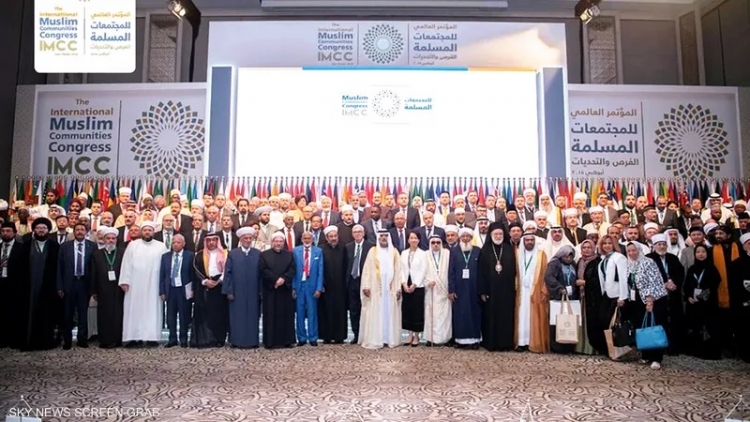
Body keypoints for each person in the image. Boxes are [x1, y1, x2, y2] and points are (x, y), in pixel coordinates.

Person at [14, 217, 61, 351]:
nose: (41, 230)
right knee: (27, 314)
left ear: (48, 230)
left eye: (44, 228)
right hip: (29, 288)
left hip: (48, 287)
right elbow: (19, 269)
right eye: (38, 228)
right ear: (34, 229)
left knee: (46, 314)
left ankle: (45, 342)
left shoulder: (55, 247)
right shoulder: (26, 246)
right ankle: (27, 342)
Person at [120, 221, 167, 348]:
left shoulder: (161, 246)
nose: (147, 232)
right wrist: (124, 281)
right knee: (134, 310)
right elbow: (126, 264)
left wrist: (164, 286)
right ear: (141, 232)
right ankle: (133, 338)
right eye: (145, 230)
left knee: (153, 310)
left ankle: (152, 338)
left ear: (153, 232)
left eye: (149, 230)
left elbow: (165, 267)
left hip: (154, 284)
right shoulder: (133, 245)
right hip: (135, 285)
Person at [627, 241, 670, 369]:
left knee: (654, 327)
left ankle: (657, 358)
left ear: (639, 250)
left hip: (652, 300)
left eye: (634, 250)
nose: (632, 253)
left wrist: (650, 300)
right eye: (629, 251)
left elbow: (654, 281)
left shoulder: (648, 262)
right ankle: (646, 354)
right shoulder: (630, 264)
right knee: (642, 327)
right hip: (637, 300)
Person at [359, 229, 403, 349]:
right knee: (376, 312)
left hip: (390, 287)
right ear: (378, 238)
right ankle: (377, 338)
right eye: (381, 236)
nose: (383, 238)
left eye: (385, 236)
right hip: (375, 286)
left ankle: (389, 339)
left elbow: (399, 271)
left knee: (389, 312)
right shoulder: (372, 251)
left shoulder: (394, 252)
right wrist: (366, 285)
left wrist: (398, 287)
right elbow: (366, 270)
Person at [479, 222, 518, 351]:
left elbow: (514, 270)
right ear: (491, 235)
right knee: (490, 317)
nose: (498, 236)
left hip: (507, 291)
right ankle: (490, 343)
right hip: (490, 291)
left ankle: (505, 343)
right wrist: (482, 291)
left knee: (506, 317)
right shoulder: (485, 250)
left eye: (500, 234)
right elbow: (481, 272)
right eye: (495, 234)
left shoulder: (508, 248)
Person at [56, 223, 96, 349]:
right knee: (67, 313)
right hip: (69, 283)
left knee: (83, 313)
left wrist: (93, 287)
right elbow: (59, 267)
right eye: (77, 229)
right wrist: (59, 286)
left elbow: (94, 268)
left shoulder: (92, 246)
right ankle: (67, 340)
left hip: (84, 283)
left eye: (82, 230)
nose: (79, 232)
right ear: (73, 232)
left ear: (86, 232)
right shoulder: (65, 246)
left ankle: (82, 339)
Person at [223, 227, 262, 349]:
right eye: (245, 238)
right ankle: (236, 341)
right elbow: (227, 273)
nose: (248, 240)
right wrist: (229, 290)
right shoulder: (233, 254)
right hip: (237, 291)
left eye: (250, 238)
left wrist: (260, 291)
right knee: (237, 316)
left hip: (253, 291)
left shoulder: (257, 253)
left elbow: (261, 273)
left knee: (252, 316)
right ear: (240, 239)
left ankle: (252, 341)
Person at [647, 233, 685, 355]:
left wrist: (674, 283)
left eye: (664, 244)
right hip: (657, 296)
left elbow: (680, 273)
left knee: (674, 321)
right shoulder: (649, 258)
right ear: (654, 246)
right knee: (659, 320)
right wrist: (663, 284)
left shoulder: (672, 258)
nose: (662, 247)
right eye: (659, 244)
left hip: (673, 294)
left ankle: (673, 347)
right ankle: (659, 348)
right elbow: (648, 276)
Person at [683, 244, 721, 359]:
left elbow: (715, 283)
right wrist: (688, 296)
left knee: (709, 326)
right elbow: (687, 285)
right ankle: (696, 350)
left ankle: (710, 352)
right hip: (694, 303)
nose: (701, 254)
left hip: (708, 303)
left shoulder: (711, 268)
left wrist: (701, 297)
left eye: (703, 252)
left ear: (707, 254)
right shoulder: (692, 268)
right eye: (698, 252)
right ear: (695, 254)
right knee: (695, 326)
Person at [259, 231, 297, 349]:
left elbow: (292, 269)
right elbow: (263, 270)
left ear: (284, 243)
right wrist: (275, 280)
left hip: (285, 290)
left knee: (286, 315)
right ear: (272, 242)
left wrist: (283, 279)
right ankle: (270, 341)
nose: (278, 244)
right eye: (276, 241)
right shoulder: (264, 255)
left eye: (281, 241)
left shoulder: (289, 255)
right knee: (270, 315)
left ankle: (287, 341)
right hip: (270, 289)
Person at [192, 232, 229, 348]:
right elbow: (195, 270)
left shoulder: (225, 254)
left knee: (219, 314)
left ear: (217, 241)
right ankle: (205, 339)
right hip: (205, 287)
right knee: (205, 314)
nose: (211, 242)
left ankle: (219, 339)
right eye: (209, 240)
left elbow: (228, 270)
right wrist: (205, 281)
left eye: (214, 240)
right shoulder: (199, 255)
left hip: (220, 288)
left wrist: (219, 281)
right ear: (205, 242)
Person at [90, 227, 125, 349]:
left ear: (116, 240)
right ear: (104, 240)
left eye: (113, 238)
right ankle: (105, 340)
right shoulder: (97, 254)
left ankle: (118, 339)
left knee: (118, 314)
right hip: (103, 289)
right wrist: (94, 290)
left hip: (119, 288)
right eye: (108, 238)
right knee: (104, 314)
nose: (111, 240)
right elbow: (93, 273)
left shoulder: (122, 252)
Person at [515, 231, 549, 353]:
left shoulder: (541, 255)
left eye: (531, 240)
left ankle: (534, 343)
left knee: (534, 316)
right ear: (523, 241)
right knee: (522, 316)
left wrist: (544, 291)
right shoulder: (518, 254)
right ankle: (521, 342)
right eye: (527, 240)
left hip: (535, 290)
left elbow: (545, 273)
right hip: (521, 291)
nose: (529, 242)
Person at [449, 227, 482, 349]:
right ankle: (460, 340)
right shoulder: (454, 251)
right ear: (460, 238)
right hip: (459, 289)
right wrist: (451, 290)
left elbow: (482, 271)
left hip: (474, 288)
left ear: (471, 238)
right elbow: (451, 271)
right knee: (460, 313)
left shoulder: (478, 251)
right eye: (463, 236)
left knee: (474, 313)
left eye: (468, 236)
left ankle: (475, 340)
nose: (465, 238)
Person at [159, 234, 194, 348]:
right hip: (171, 289)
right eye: (173, 242)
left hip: (184, 289)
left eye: (178, 242)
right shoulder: (165, 257)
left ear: (183, 244)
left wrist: (193, 289)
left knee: (184, 315)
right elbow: (162, 275)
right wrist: (162, 291)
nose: (175, 244)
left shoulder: (190, 256)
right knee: (171, 316)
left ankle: (183, 339)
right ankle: (172, 339)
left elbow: (193, 274)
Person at [545, 245, 579, 354]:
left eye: (570, 257)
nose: (568, 259)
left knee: (570, 321)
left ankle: (569, 345)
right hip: (558, 296)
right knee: (557, 321)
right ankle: (557, 347)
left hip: (571, 297)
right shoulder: (554, 263)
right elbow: (549, 277)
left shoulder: (573, 264)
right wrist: (559, 288)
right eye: (566, 257)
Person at [293, 231, 324, 346]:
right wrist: (293, 287)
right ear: (301, 239)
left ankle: (313, 337)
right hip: (299, 285)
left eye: (309, 238)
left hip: (312, 286)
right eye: (305, 238)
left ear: (312, 239)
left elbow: (321, 271)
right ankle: (301, 337)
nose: (307, 240)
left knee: (312, 312)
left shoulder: (318, 251)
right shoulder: (295, 251)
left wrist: (319, 288)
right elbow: (293, 270)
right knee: (300, 312)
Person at [596, 235, 629, 346]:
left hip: (617, 294)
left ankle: (618, 347)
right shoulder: (603, 259)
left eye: (609, 243)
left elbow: (623, 277)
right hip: (606, 293)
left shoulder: (619, 257)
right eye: (604, 243)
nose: (607, 246)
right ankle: (609, 347)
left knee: (615, 322)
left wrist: (623, 296)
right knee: (603, 320)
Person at [319, 226, 348, 344]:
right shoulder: (321, 249)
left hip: (340, 286)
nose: (333, 238)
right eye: (331, 236)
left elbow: (346, 266)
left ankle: (339, 336)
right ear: (326, 238)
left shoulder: (344, 248)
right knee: (326, 311)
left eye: (335, 236)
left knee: (340, 311)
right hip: (326, 286)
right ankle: (327, 336)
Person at [346, 224, 373, 344]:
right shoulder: (348, 247)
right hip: (352, 282)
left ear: (364, 233)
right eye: (355, 232)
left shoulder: (371, 247)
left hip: (365, 282)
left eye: (360, 231)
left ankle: (366, 334)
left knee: (366, 309)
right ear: (352, 234)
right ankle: (356, 334)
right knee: (354, 310)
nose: (357, 234)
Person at [423, 235, 452, 346]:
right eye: (433, 242)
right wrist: (427, 282)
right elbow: (422, 272)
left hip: (444, 290)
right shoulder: (425, 255)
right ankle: (432, 339)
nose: (435, 245)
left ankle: (445, 338)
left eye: (438, 242)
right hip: (432, 290)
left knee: (445, 316)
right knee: (431, 315)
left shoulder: (447, 254)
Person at [401, 231, 427, 347]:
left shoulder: (423, 254)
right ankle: (409, 334)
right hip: (406, 284)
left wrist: (415, 284)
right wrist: (403, 283)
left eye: (415, 238)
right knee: (407, 310)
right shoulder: (404, 253)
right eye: (411, 238)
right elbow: (401, 269)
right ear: (408, 240)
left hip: (418, 285)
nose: (413, 240)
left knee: (417, 310)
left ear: (419, 240)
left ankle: (416, 335)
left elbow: (423, 270)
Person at [0, 221, 24, 348]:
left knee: (14, 312)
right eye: (3, 231)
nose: (5, 233)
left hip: (15, 285)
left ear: (15, 233)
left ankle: (14, 339)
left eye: (8, 231)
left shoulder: (21, 248)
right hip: (1, 283)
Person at [578, 239, 603, 354]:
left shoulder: (598, 262)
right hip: (582, 296)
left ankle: (594, 348)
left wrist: (585, 283)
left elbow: (599, 281)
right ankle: (582, 347)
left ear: (594, 249)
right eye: (584, 247)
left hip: (594, 298)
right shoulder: (579, 261)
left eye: (589, 247)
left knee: (593, 323)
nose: (586, 250)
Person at [728, 233, 750, 363]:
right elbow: (734, 285)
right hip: (743, 303)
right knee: (744, 329)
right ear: (744, 246)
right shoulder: (736, 264)